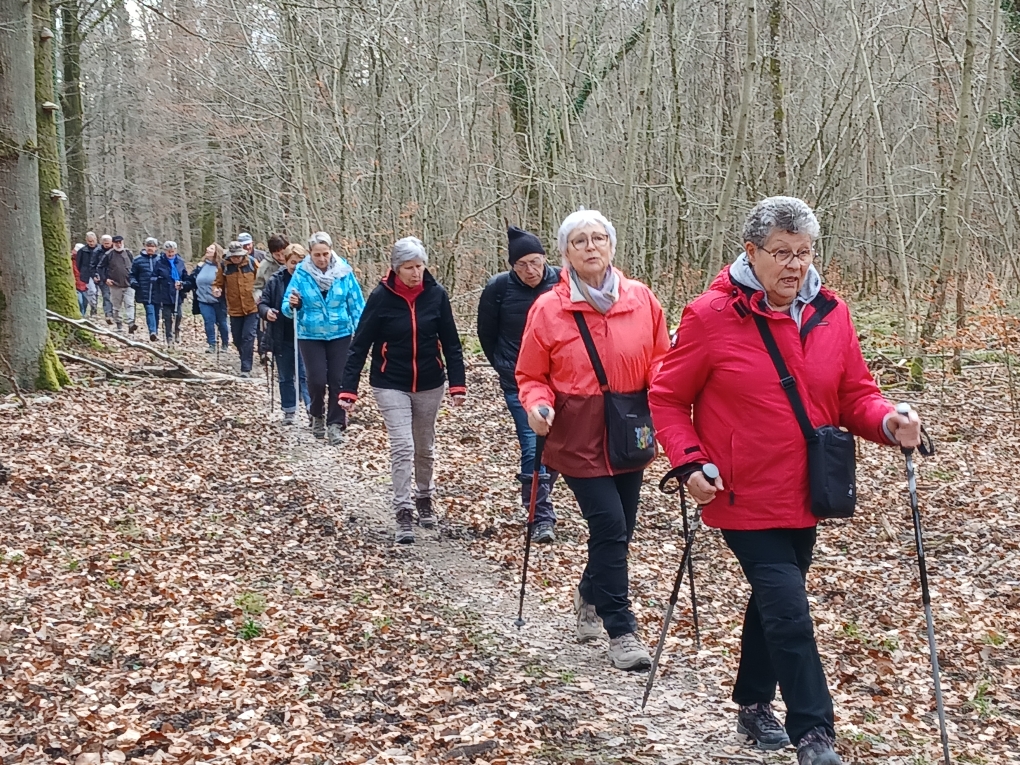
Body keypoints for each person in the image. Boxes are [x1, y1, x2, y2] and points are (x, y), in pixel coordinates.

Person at [648, 196, 923, 765]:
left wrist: (888, 421)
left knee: (774, 601)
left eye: (803, 253)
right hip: (740, 491)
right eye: (780, 253)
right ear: (751, 252)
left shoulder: (831, 312)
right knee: (789, 607)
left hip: (809, 489)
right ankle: (815, 733)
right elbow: (668, 398)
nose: (794, 265)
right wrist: (689, 460)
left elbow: (855, 394)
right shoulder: (710, 315)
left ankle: (751, 703)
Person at [516, 208, 669, 671]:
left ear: (612, 246)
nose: (590, 247)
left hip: (629, 427)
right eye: (579, 241)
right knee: (610, 526)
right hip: (576, 433)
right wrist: (537, 405)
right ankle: (621, 628)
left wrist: (668, 401)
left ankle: (589, 591)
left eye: (598, 238)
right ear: (565, 253)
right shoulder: (548, 307)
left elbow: (663, 361)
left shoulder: (642, 300)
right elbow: (531, 374)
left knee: (621, 529)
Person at [340, 237, 465, 544]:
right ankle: (403, 510)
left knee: (424, 447)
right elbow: (360, 345)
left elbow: (451, 342)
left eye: (419, 266)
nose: (415, 273)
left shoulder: (436, 295)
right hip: (389, 381)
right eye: (409, 267)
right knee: (402, 446)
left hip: (429, 382)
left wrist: (458, 384)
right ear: (396, 269)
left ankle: (424, 497)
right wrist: (348, 389)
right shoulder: (381, 297)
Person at [477, 226, 562, 543]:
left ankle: (534, 496)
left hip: (562, 380)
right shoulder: (498, 288)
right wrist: (505, 366)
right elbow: (486, 334)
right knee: (534, 444)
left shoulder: (563, 281)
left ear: (545, 259)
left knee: (558, 447)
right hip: (519, 382)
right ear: (512, 265)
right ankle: (540, 518)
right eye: (522, 264)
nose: (530, 270)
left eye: (535, 261)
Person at [282, 231, 364, 443]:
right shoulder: (301, 273)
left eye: (325, 253)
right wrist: (293, 305)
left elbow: (356, 303)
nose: (321, 259)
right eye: (317, 254)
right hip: (310, 334)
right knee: (317, 380)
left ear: (331, 252)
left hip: (340, 332)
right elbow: (286, 306)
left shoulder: (344, 272)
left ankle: (335, 424)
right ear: (310, 254)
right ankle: (316, 413)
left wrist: (363, 333)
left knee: (338, 380)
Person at [259, 244, 311, 425]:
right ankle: (289, 410)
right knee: (285, 375)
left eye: (300, 262)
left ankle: (312, 409)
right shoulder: (276, 280)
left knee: (305, 374)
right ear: (286, 261)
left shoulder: (310, 280)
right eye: (293, 262)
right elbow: (263, 302)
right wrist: (266, 312)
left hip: (305, 334)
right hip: (282, 334)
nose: (296, 266)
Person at [213, 241, 260, 377]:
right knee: (237, 339)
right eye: (233, 256)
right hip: (234, 309)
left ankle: (246, 368)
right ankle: (244, 357)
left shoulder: (252, 263)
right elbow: (218, 283)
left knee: (248, 336)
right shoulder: (224, 266)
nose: (236, 258)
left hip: (252, 307)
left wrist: (261, 294)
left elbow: (262, 279)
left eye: (238, 256)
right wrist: (216, 290)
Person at [189, 243, 229, 353]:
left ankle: (225, 344)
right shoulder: (201, 266)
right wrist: (183, 285)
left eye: (211, 248)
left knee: (222, 322)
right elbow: (192, 280)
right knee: (208, 321)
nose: (207, 249)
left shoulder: (222, 266)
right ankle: (211, 344)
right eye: (208, 247)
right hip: (203, 300)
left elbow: (227, 282)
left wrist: (221, 290)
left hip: (218, 300)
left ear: (217, 252)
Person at [154, 241, 188, 346]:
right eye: (168, 252)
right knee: (167, 316)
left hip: (177, 292)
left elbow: (185, 277)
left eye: (172, 252)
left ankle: (176, 330)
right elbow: (153, 276)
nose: (170, 254)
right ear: (164, 251)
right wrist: (159, 279)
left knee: (178, 315)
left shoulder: (180, 262)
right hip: (164, 293)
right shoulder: (159, 262)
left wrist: (182, 284)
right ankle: (169, 336)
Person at [130, 237, 162, 341]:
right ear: (145, 246)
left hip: (158, 291)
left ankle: (155, 331)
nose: (150, 248)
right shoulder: (137, 260)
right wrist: (133, 282)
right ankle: (152, 331)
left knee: (157, 312)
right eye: (148, 246)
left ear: (156, 248)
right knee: (150, 311)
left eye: (152, 246)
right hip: (144, 290)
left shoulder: (161, 259)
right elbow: (132, 275)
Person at [104, 235, 135, 332]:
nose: (118, 244)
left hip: (128, 284)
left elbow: (134, 266)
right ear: (113, 243)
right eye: (116, 242)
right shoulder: (108, 255)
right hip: (115, 285)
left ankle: (131, 324)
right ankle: (119, 324)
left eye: (120, 242)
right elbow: (100, 268)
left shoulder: (128, 253)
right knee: (116, 306)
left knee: (130, 304)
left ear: (123, 242)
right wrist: (106, 279)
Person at [90, 232, 114, 324]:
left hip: (115, 276)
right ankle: (108, 314)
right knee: (106, 295)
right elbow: (93, 265)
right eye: (105, 243)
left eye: (108, 243)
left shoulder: (115, 251)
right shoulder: (97, 251)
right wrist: (95, 275)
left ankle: (115, 314)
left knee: (115, 297)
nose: (107, 245)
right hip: (103, 277)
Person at [72, 244, 88, 317]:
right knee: (80, 302)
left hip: (84, 285)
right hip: (76, 284)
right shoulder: (72, 260)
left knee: (85, 302)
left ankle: (83, 315)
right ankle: (81, 316)